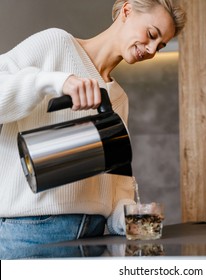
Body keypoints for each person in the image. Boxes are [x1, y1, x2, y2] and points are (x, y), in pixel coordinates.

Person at [0, 0, 186, 259]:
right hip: (33, 234)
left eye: (161, 45)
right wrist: (54, 81)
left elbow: (115, 188)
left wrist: (130, 218)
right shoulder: (56, 45)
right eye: (151, 35)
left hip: (95, 239)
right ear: (127, 10)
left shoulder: (118, 98)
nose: (152, 49)